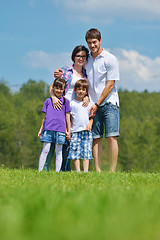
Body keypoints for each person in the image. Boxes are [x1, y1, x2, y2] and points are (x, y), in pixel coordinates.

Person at [85, 28, 120, 173]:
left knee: (111, 137)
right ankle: (98, 171)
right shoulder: (86, 59)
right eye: (89, 43)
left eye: (94, 42)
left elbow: (110, 84)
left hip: (109, 103)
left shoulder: (110, 59)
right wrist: (60, 72)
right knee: (96, 138)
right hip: (93, 105)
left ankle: (112, 172)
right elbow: (75, 67)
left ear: (100, 41)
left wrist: (97, 103)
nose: (92, 46)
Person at [51, 45, 89, 171]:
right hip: (62, 106)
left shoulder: (85, 73)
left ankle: (66, 168)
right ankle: (60, 168)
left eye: (83, 56)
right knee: (60, 137)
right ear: (74, 57)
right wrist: (54, 98)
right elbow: (53, 86)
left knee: (72, 137)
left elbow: (85, 90)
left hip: (77, 109)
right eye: (78, 56)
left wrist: (87, 97)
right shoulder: (66, 71)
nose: (81, 58)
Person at [38, 78, 71, 172]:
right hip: (48, 129)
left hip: (61, 130)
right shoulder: (48, 101)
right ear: (53, 88)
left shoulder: (66, 102)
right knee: (45, 150)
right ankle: (40, 171)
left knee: (59, 151)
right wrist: (41, 129)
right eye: (56, 88)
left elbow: (67, 117)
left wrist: (69, 131)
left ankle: (57, 172)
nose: (58, 91)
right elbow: (44, 117)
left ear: (64, 90)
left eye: (61, 89)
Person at [68, 79, 93, 172]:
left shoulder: (89, 104)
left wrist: (90, 124)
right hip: (75, 131)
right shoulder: (72, 103)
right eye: (79, 89)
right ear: (75, 90)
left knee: (86, 152)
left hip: (86, 131)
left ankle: (85, 171)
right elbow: (69, 118)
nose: (81, 91)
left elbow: (91, 117)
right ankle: (78, 171)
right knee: (75, 151)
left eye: (83, 90)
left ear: (86, 92)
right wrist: (69, 130)